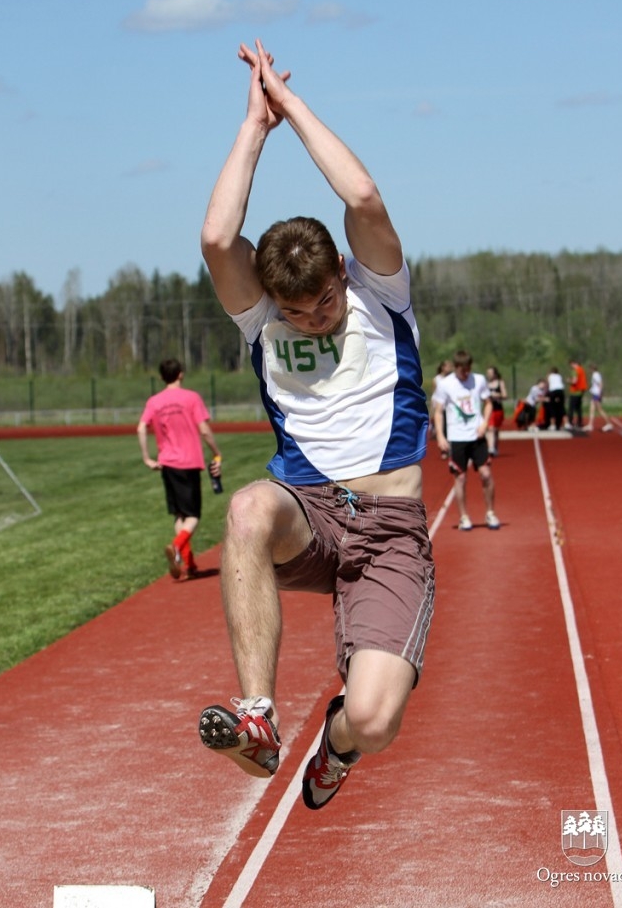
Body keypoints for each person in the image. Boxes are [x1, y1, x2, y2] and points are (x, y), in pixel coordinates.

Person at [197, 40, 434, 811]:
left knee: (374, 717)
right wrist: (250, 130)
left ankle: (336, 742)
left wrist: (290, 108)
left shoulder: (380, 291)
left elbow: (362, 196)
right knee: (245, 507)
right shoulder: (264, 318)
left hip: (390, 526)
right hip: (310, 511)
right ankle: (258, 718)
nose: (314, 319)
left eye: (323, 303)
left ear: (341, 273)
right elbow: (214, 240)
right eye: (297, 311)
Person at [137, 358, 222, 580]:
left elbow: (140, 428)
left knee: (179, 514)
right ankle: (176, 546)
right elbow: (203, 429)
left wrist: (147, 458)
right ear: (181, 374)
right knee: (193, 514)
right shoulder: (191, 398)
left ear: (161, 377)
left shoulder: (154, 402)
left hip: (167, 463)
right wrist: (216, 451)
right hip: (189, 462)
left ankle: (189, 563)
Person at [433, 350, 500, 532]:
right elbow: (438, 412)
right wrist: (440, 435)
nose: (466, 374)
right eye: (463, 370)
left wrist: (484, 424)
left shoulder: (478, 380)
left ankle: (490, 513)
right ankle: (464, 516)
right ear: (456, 368)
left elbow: (488, 403)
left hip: (477, 435)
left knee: (486, 473)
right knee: (460, 477)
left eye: (469, 370)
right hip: (457, 437)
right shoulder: (445, 384)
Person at [430, 359, 453, 455]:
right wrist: (432, 408)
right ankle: (444, 449)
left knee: (450, 427)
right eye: (447, 366)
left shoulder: (453, 378)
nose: (450, 368)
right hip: (440, 406)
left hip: (450, 406)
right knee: (442, 427)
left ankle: (451, 447)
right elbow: (434, 394)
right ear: (443, 367)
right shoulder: (437, 379)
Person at [485, 365, 507, 456]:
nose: (489, 375)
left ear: (495, 374)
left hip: (498, 409)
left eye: (491, 373)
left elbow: (505, 395)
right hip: (489, 409)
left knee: (495, 430)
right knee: (490, 428)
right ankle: (491, 448)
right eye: (488, 373)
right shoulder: (485, 384)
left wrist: (496, 395)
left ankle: (495, 447)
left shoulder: (500, 383)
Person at [586, 364, 614, 432]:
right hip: (594, 394)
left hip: (596, 394)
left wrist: (599, 393)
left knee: (599, 409)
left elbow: (600, 383)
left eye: (590, 369)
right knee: (591, 409)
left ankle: (609, 423)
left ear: (592, 369)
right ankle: (590, 425)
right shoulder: (595, 374)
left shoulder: (596, 375)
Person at [566, 359, 587, 429]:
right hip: (580, 391)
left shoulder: (575, 370)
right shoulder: (582, 369)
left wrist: (569, 380)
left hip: (574, 391)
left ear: (573, 363)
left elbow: (575, 381)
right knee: (578, 408)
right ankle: (579, 422)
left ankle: (570, 422)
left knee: (571, 408)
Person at [545, 366, 565, 431]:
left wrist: (546, 392)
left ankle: (553, 425)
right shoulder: (559, 376)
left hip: (553, 391)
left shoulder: (549, 375)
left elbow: (547, 384)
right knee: (561, 407)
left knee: (552, 407)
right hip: (561, 390)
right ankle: (565, 423)